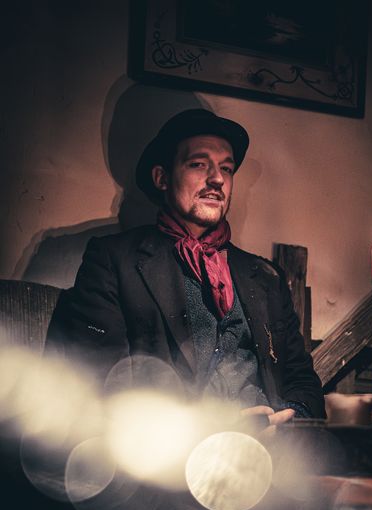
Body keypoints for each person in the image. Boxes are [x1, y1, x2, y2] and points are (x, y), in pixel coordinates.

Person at [46, 109, 325, 424]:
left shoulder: (265, 277)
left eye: (226, 168)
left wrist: (291, 420)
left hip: (274, 448)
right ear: (162, 178)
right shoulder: (114, 260)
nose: (217, 179)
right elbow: (100, 382)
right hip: (172, 446)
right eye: (198, 164)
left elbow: (303, 381)